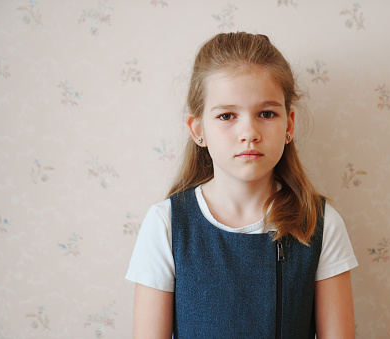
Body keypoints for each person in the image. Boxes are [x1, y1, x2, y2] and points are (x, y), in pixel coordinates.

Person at [126, 32, 358, 338]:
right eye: (226, 115)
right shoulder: (166, 225)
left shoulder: (320, 224)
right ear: (198, 130)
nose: (249, 131)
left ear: (288, 125)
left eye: (266, 113)